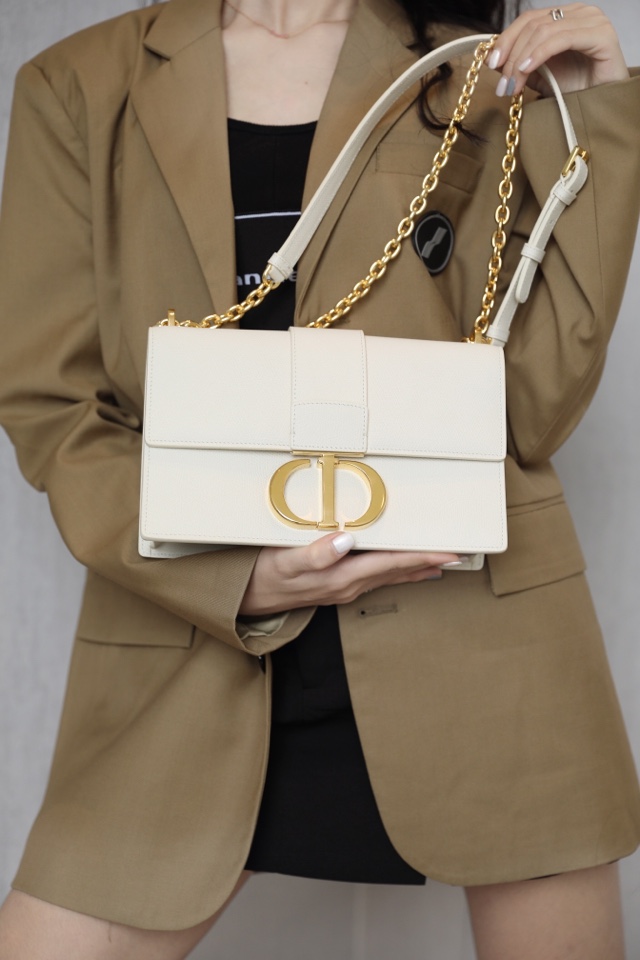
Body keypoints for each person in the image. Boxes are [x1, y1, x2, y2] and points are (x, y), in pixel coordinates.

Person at [0, 0, 638, 957]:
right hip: (188, 654)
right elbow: (54, 406)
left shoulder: (474, 68)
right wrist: (236, 578)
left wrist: (594, 119)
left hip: (481, 646)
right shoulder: (78, 84)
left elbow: (532, 410)